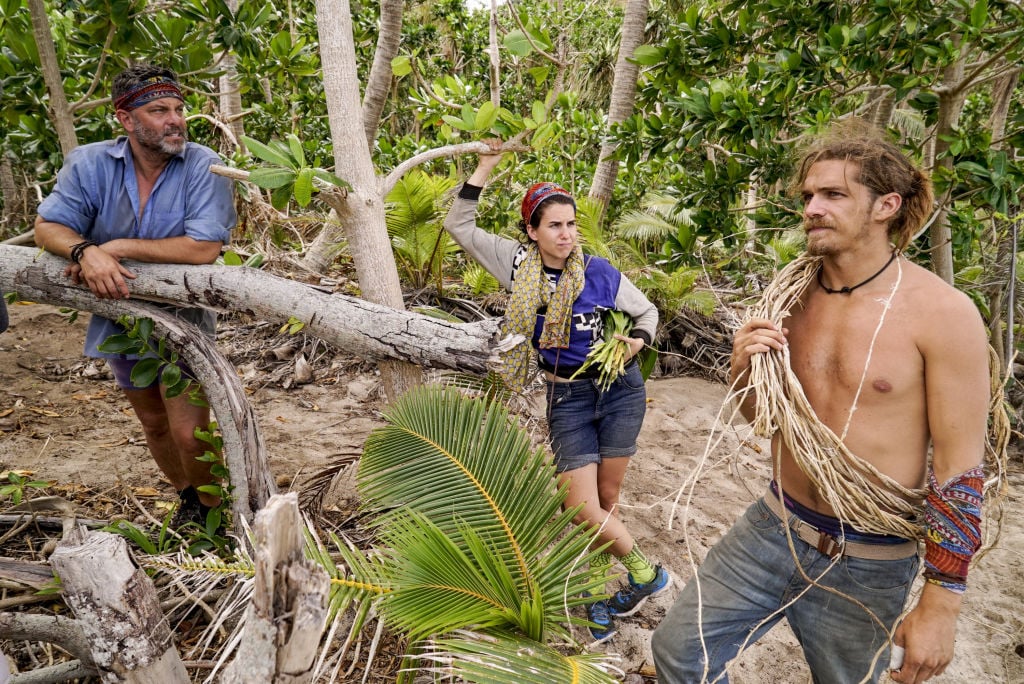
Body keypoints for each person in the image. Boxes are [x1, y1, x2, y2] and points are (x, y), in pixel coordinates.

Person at [652, 120, 992, 684]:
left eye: (834, 194)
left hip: (870, 559)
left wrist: (942, 602)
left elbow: (960, 471)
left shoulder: (944, 315)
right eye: (809, 195)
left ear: (887, 205)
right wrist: (743, 370)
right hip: (775, 525)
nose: (813, 207)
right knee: (678, 651)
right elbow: (766, 420)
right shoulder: (791, 295)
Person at [444, 141, 670, 644]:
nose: (566, 234)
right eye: (554, 225)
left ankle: (601, 598)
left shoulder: (599, 272)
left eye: (571, 224)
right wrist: (484, 168)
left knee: (605, 501)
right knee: (579, 506)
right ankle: (645, 573)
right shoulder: (513, 263)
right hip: (565, 397)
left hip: (619, 390)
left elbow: (647, 313)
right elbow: (458, 227)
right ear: (532, 231)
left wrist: (636, 343)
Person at [35, 64, 236, 529]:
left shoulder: (205, 165)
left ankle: (214, 515)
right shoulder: (89, 164)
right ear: (126, 119)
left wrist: (117, 249)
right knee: (154, 424)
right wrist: (85, 252)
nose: (175, 119)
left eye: (179, 109)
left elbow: (203, 247)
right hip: (119, 315)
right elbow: (48, 226)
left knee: (191, 432)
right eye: (159, 110)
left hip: (184, 321)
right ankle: (188, 501)